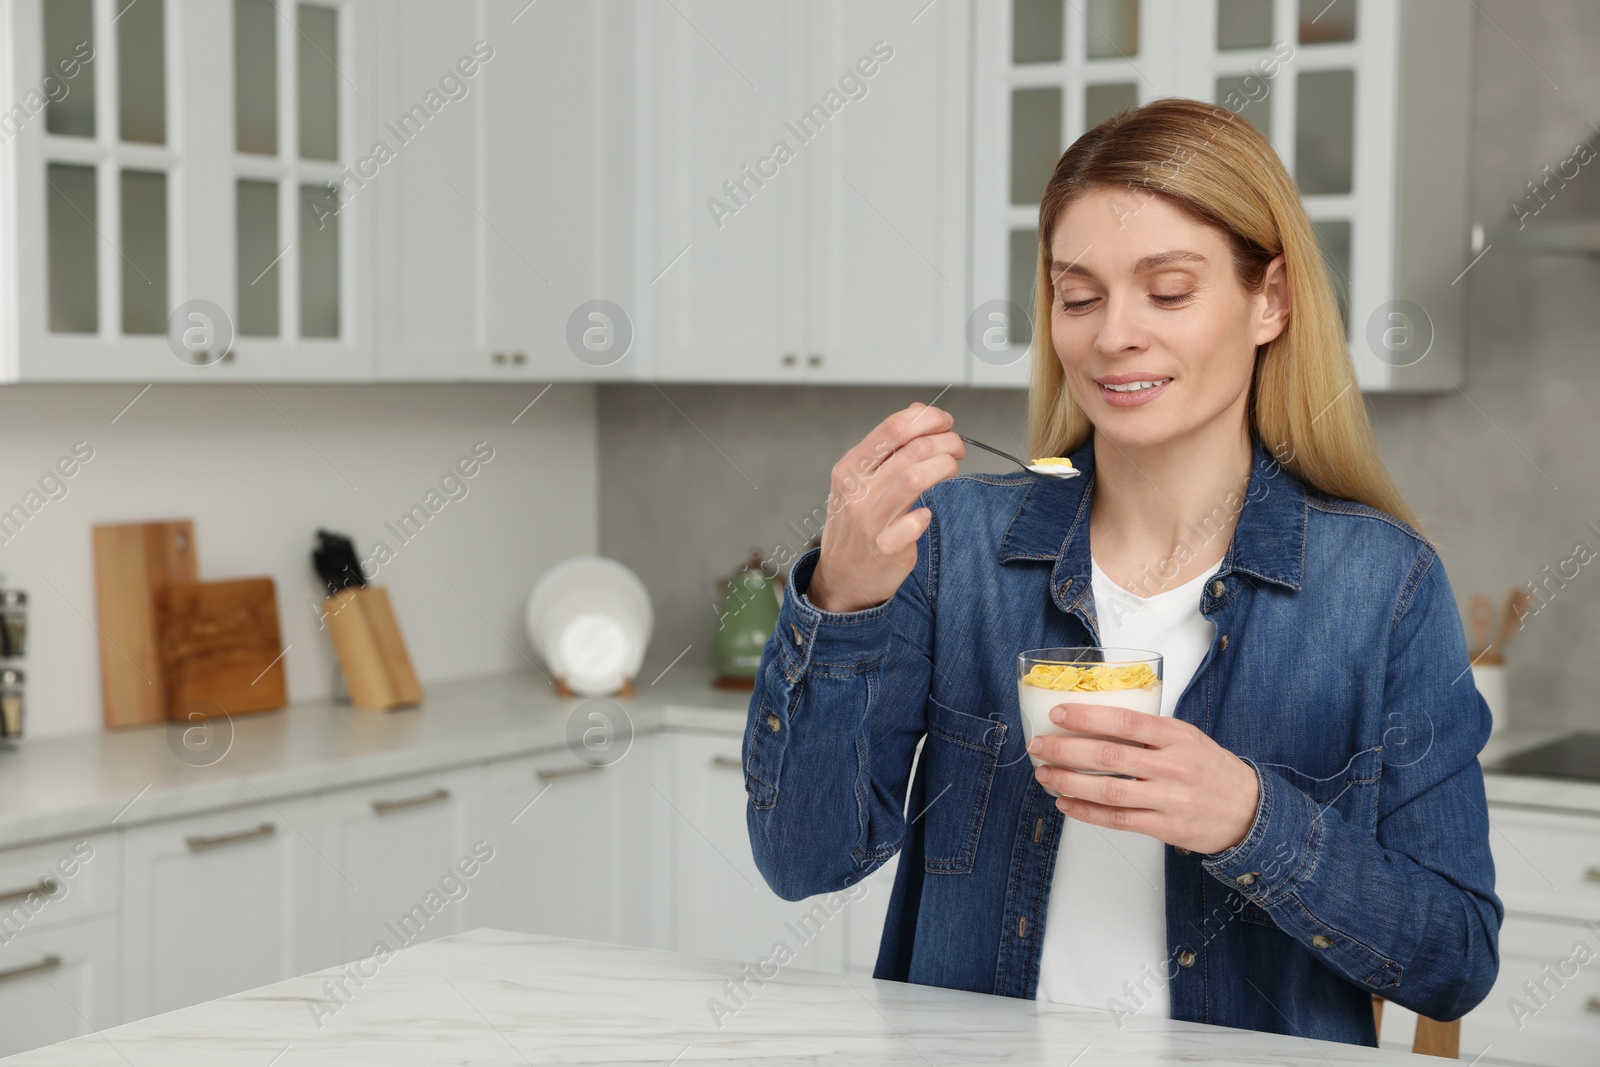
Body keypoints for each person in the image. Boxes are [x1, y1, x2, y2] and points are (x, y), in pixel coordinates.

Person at [742, 97, 1501, 1048]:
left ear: (1270, 300)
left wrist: (1248, 818)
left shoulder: (1382, 587)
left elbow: (1456, 955)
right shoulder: (957, 548)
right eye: (1080, 294)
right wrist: (840, 602)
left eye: (1169, 291)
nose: (1114, 336)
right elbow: (804, 860)